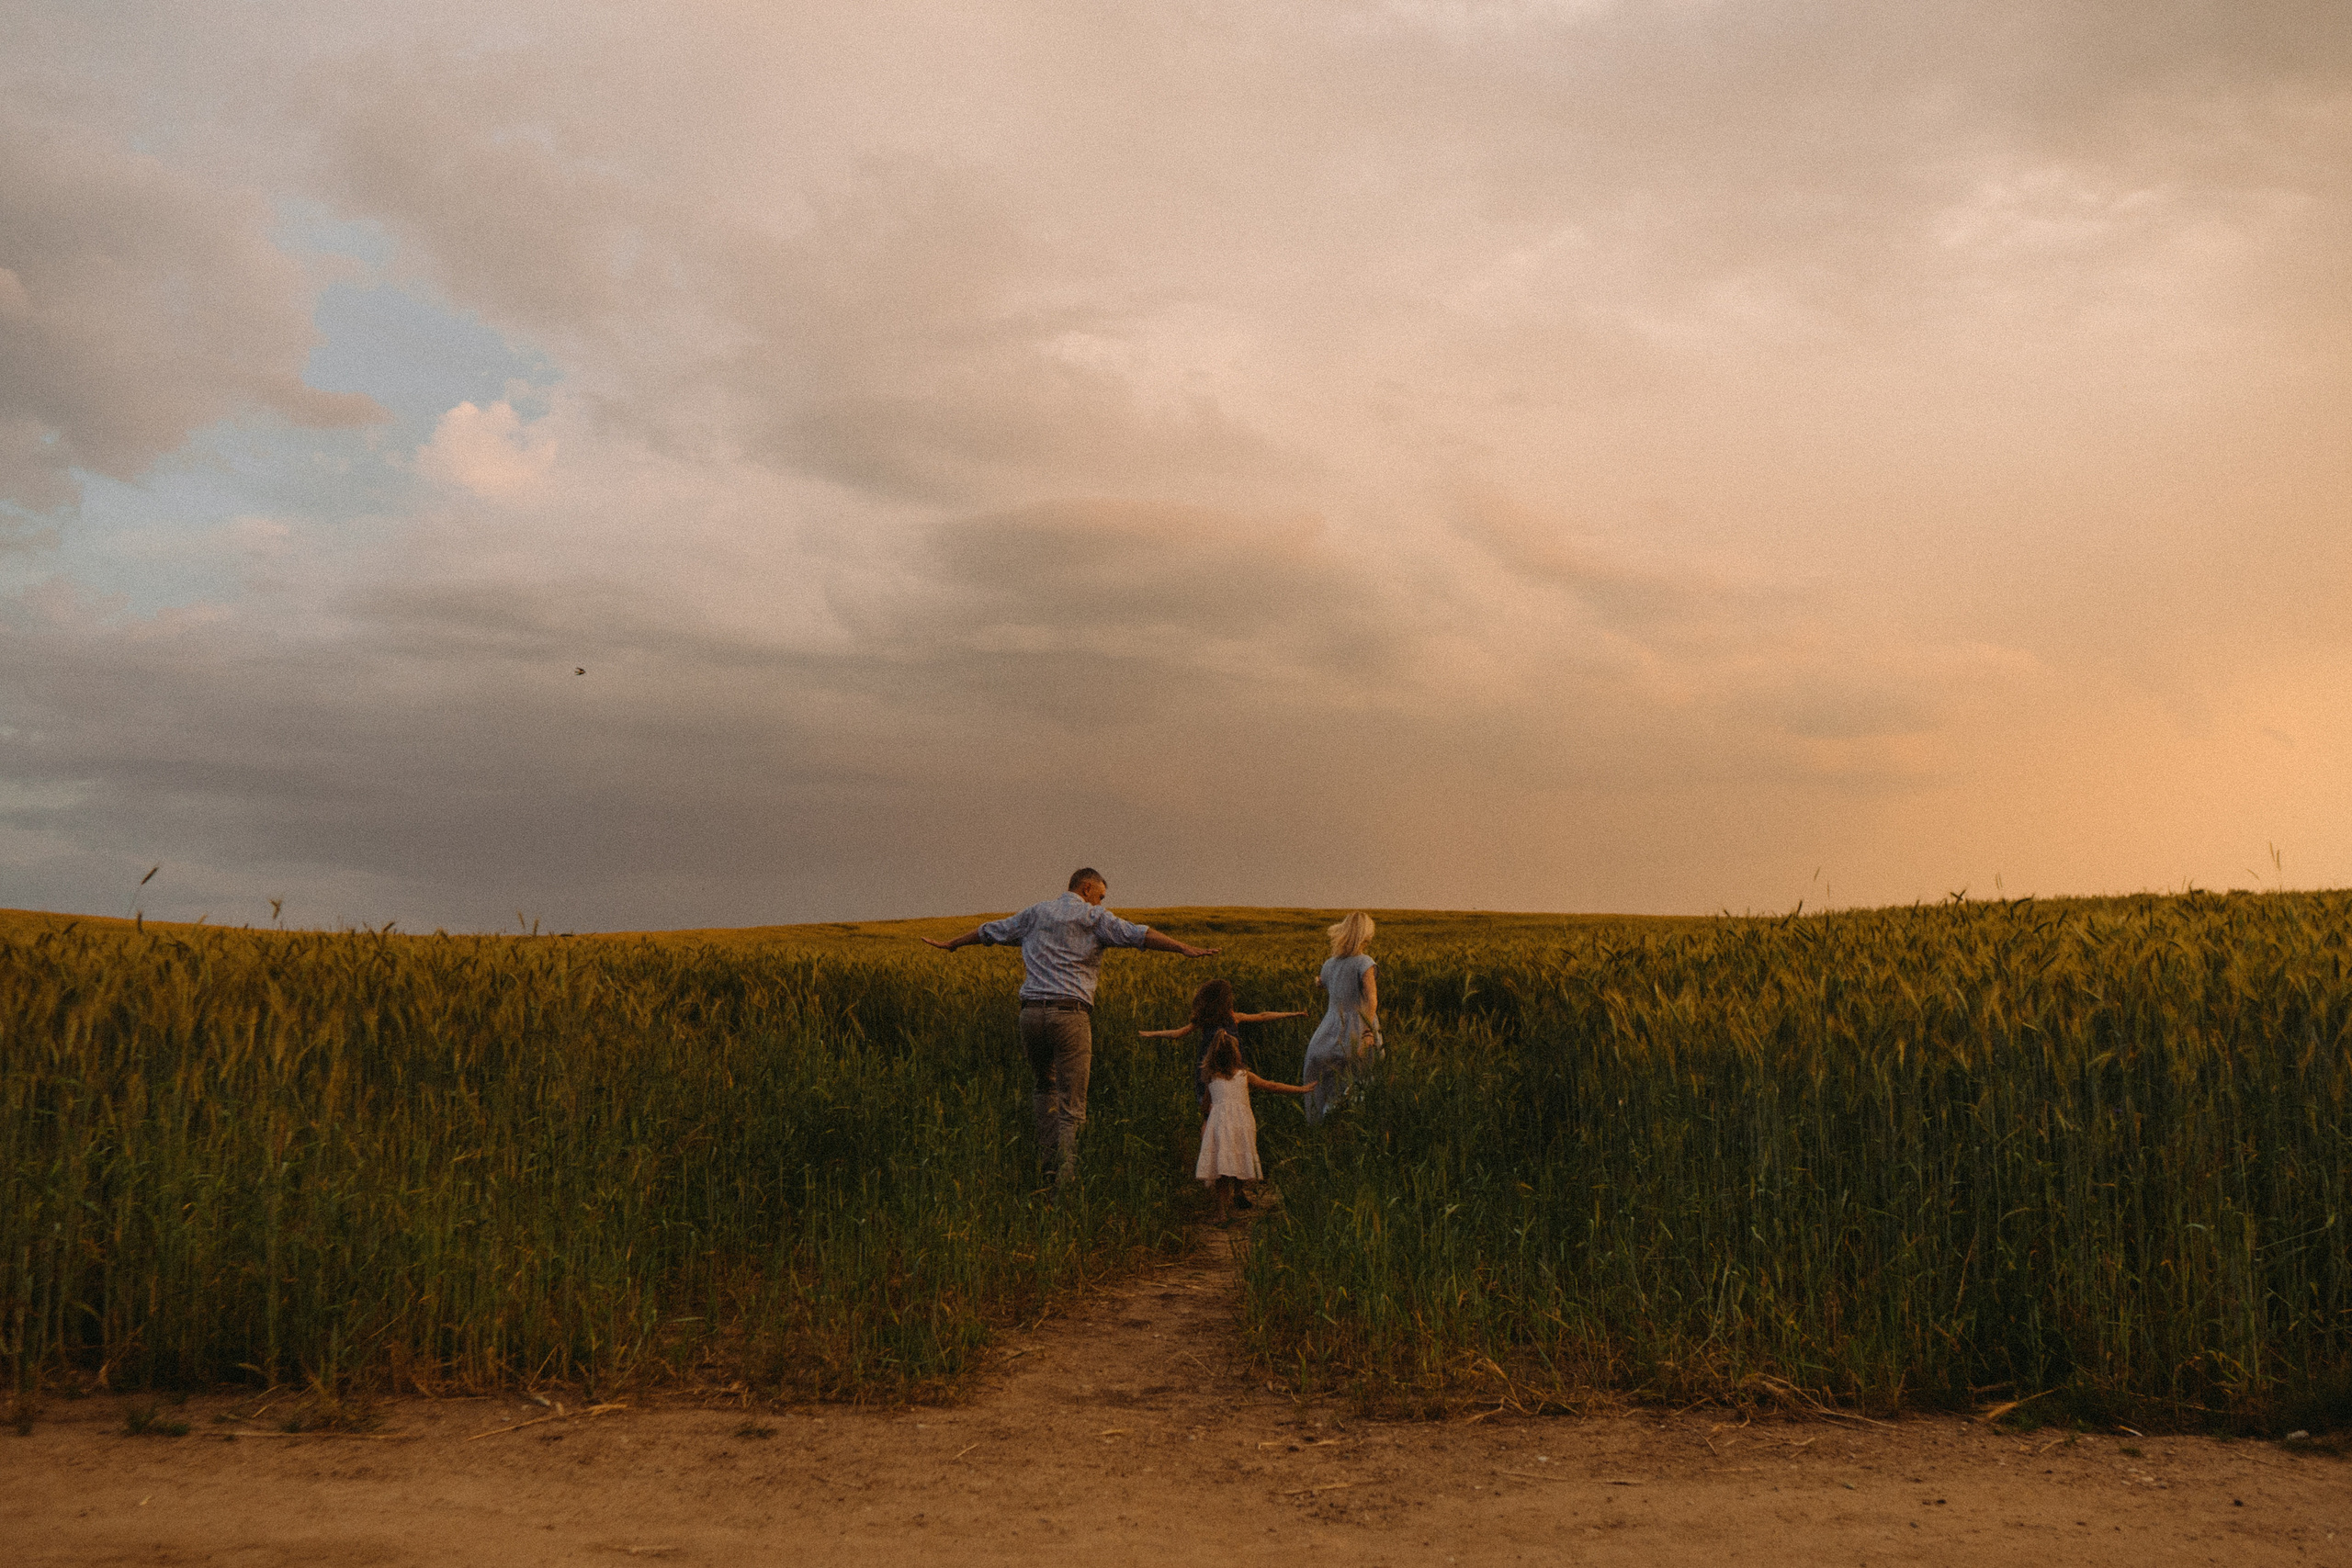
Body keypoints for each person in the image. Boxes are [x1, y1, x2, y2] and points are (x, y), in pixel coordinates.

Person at [924, 868, 1219, 1185]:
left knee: (1043, 1088)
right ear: (1087, 887)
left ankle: (1048, 1168)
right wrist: (1183, 948)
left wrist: (953, 943)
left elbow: (988, 931)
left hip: (1031, 1015)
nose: (1102, 902)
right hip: (1070, 1014)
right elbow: (1139, 934)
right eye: (1101, 896)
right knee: (1071, 1103)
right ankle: (1065, 1184)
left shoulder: (1036, 912)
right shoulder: (1093, 917)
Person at [1195, 1032, 1315, 1224]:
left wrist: (1211, 1110)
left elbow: (1205, 1106)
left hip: (1220, 1125)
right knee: (1239, 1157)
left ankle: (1222, 1213)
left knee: (1221, 1170)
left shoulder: (1212, 1079)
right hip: (1242, 1124)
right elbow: (1272, 1086)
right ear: (1236, 1055)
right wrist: (1300, 1089)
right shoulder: (1244, 1076)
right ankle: (1237, 1197)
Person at [1138, 978, 1309, 1112]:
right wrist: (1152, 1033)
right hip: (1224, 1067)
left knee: (1210, 1109)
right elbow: (1262, 1016)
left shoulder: (1208, 1021)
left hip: (1212, 1068)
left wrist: (1292, 1014)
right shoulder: (1231, 1019)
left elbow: (1176, 1034)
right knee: (1230, 1102)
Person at [1301, 912, 1380, 1123]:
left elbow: (1322, 982)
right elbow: (1372, 999)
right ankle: (1353, 1125)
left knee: (1326, 1078)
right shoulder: (1365, 962)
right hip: (1358, 1027)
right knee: (1359, 1080)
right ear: (1366, 936)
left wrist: (1318, 980)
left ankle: (1322, 1120)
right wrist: (1367, 1031)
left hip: (1329, 1030)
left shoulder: (1330, 964)